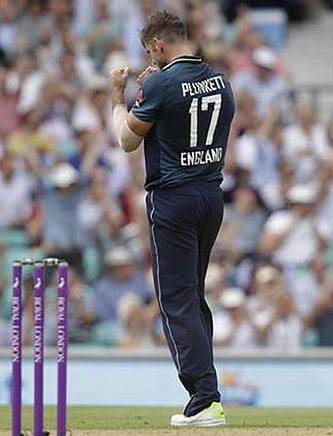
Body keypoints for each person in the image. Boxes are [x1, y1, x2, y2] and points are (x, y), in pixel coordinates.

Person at [108, 9, 235, 427]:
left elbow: (126, 140)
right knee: (193, 297)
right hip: (210, 195)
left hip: (173, 198)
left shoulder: (160, 83)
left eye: (150, 51)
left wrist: (119, 96)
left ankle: (204, 398)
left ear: (158, 44)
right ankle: (208, 393)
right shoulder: (220, 80)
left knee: (176, 300)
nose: (151, 58)